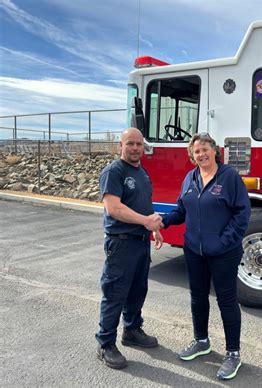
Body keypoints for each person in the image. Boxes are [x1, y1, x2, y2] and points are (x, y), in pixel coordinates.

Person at [158, 133, 251, 380]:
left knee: (226, 301)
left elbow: (242, 213)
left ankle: (233, 354)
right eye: (196, 151)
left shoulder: (229, 177)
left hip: (224, 253)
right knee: (198, 298)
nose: (201, 154)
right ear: (192, 156)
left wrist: (223, 241)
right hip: (194, 251)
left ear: (214, 150)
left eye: (205, 149)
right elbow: (181, 210)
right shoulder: (190, 177)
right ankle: (201, 341)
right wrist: (162, 221)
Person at [95, 127, 163, 369]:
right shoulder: (114, 171)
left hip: (140, 243)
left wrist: (152, 227)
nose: (135, 148)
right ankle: (105, 344)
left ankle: (132, 330)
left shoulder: (142, 172)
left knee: (137, 291)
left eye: (139, 144)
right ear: (120, 146)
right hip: (121, 244)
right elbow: (114, 208)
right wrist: (145, 222)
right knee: (115, 294)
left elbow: (143, 205)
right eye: (130, 144)